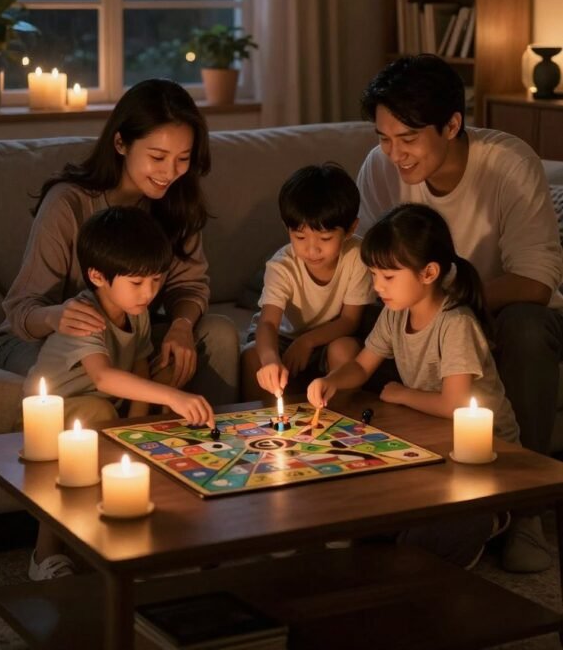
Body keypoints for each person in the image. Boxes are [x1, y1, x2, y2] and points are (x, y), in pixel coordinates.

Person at [356, 53, 563, 572]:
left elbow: (536, 284)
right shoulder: (379, 168)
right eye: (383, 137)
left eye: (407, 139)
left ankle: (525, 510)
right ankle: (399, 492)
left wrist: (446, 309)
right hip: (421, 309)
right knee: (361, 329)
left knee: (526, 330)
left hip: (503, 310)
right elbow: (371, 262)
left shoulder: (507, 164)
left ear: (452, 124)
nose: (393, 154)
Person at [0, 78, 240, 408]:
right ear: (121, 143)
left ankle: (211, 441)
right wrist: (57, 316)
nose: (170, 173)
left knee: (219, 335)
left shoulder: (176, 203)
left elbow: (190, 286)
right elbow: (21, 308)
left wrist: (181, 326)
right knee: (99, 377)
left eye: (182, 158)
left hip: (126, 337)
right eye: (158, 157)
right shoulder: (68, 204)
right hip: (47, 339)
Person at [308, 202, 518, 570]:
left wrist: (401, 393)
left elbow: (455, 405)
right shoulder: (395, 313)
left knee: (423, 545)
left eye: (387, 277)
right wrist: (330, 380)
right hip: (435, 440)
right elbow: (360, 365)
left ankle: (492, 516)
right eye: (373, 275)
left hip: (485, 453)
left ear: (429, 273)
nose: (377, 287)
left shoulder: (456, 323)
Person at [26, 205, 215, 580]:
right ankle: (44, 555)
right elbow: (104, 378)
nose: (149, 293)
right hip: (54, 416)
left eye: (157, 281)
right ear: (98, 275)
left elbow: (140, 361)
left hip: (105, 406)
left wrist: (139, 423)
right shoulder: (84, 313)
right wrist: (170, 399)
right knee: (100, 415)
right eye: (137, 283)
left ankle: (149, 534)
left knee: (150, 409)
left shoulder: (137, 310)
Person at [240, 163, 371, 402]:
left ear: (351, 228)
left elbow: (350, 320)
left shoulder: (357, 257)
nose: (311, 249)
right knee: (252, 357)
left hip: (329, 336)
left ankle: (342, 420)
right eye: (299, 237)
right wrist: (271, 361)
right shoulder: (282, 266)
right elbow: (268, 323)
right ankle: (264, 424)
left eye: (325, 238)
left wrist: (307, 341)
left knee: (345, 350)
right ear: (287, 229)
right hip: (282, 336)